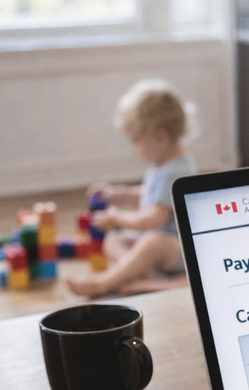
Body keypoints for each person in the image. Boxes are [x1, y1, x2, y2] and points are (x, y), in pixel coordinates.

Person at [66, 79, 196, 298]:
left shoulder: (175, 171)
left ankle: (105, 283)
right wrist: (116, 194)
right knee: (114, 240)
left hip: (177, 248)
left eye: (136, 141)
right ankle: (147, 279)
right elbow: (147, 196)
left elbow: (153, 219)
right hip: (157, 241)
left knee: (151, 242)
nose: (133, 149)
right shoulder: (162, 164)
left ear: (160, 137)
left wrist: (117, 217)